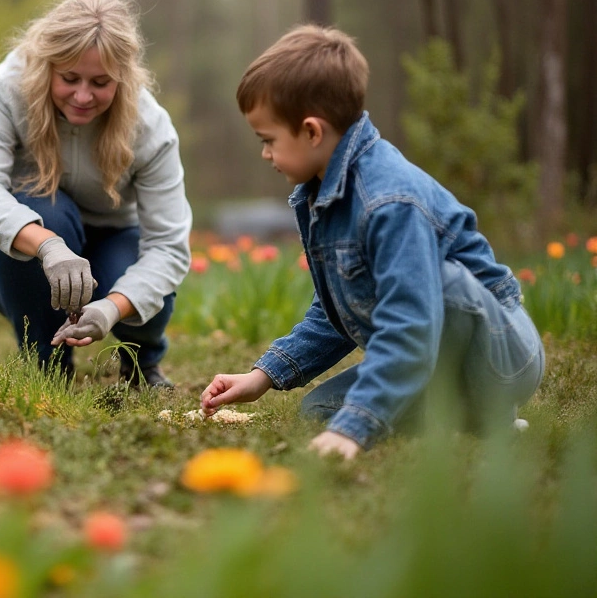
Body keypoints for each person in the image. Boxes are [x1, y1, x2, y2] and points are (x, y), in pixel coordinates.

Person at [200, 25, 544, 459]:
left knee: (442, 282)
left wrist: (355, 430)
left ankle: (486, 410)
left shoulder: (388, 201)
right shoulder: (319, 195)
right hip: (432, 357)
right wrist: (264, 375)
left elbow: (410, 321)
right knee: (320, 410)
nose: (265, 154)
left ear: (311, 131)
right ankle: (460, 415)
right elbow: (338, 311)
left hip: (500, 359)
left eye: (268, 140)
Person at [0, 0, 193, 387]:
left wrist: (112, 309)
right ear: (47, 65)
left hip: (112, 237)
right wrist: (48, 246)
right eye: (69, 78)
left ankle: (142, 360)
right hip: (22, 255)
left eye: (101, 83)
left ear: (123, 77)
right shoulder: (3, 89)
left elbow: (167, 245)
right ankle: (48, 365)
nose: (83, 96)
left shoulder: (150, 126)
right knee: (44, 208)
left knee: (143, 280)